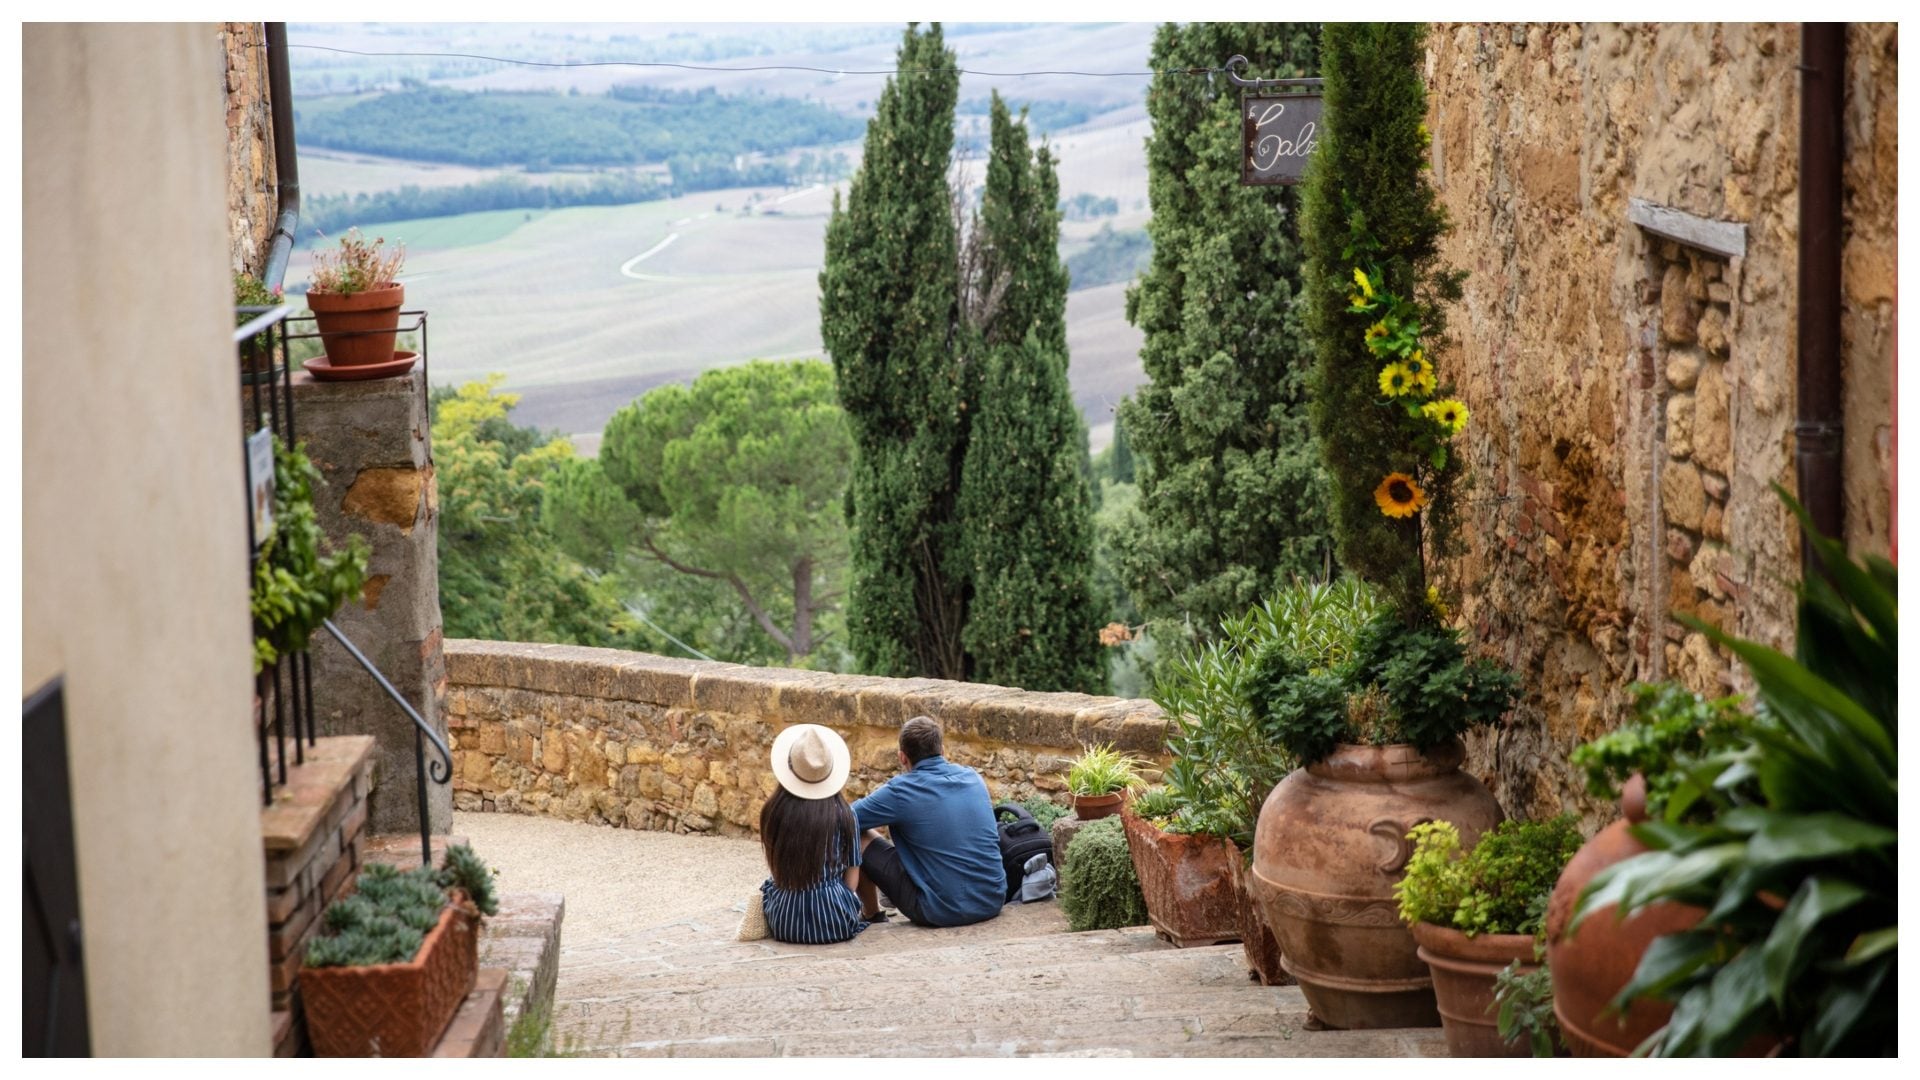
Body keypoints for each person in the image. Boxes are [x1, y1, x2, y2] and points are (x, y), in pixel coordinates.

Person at [851, 715, 1005, 928]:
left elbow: (844, 819)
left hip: (939, 910)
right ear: (942, 750)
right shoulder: (973, 778)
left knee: (857, 834)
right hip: (992, 901)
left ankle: (871, 913)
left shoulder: (900, 791)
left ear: (902, 758)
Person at [757, 723, 870, 945]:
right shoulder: (845, 814)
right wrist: (842, 904)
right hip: (835, 921)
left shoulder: (772, 811)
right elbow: (852, 876)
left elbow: (776, 870)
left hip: (785, 922)